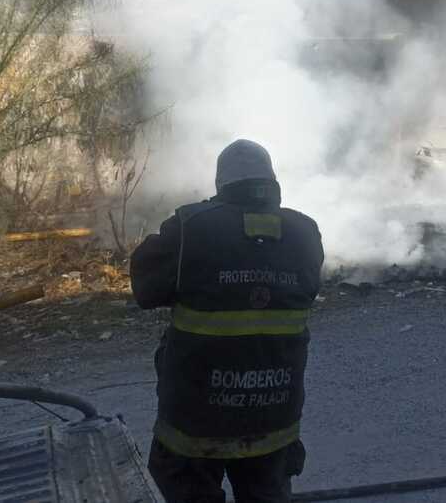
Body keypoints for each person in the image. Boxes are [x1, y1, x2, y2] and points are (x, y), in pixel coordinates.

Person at [130, 139, 324, 503]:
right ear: (271, 181)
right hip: (274, 418)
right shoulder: (305, 233)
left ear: (221, 184)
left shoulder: (190, 228)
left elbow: (145, 287)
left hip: (196, 423)